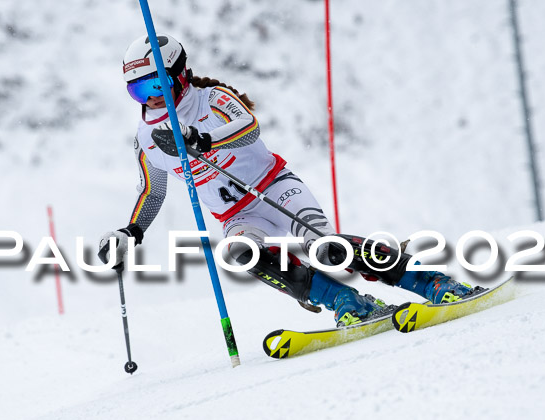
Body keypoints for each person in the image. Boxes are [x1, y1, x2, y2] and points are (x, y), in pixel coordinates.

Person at [99, 33, 483, 327]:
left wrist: (204, 139)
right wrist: (131, 232)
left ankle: (429, 282)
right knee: (240, 254)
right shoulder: (147, 137)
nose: (149, 98)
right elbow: (154, 189)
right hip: (238, 217)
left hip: (275, 188)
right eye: (137, 89)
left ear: (178, 74)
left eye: (154, 85)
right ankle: (347, 303)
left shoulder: (211, 98)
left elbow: (249, 128)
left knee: (326, 249)